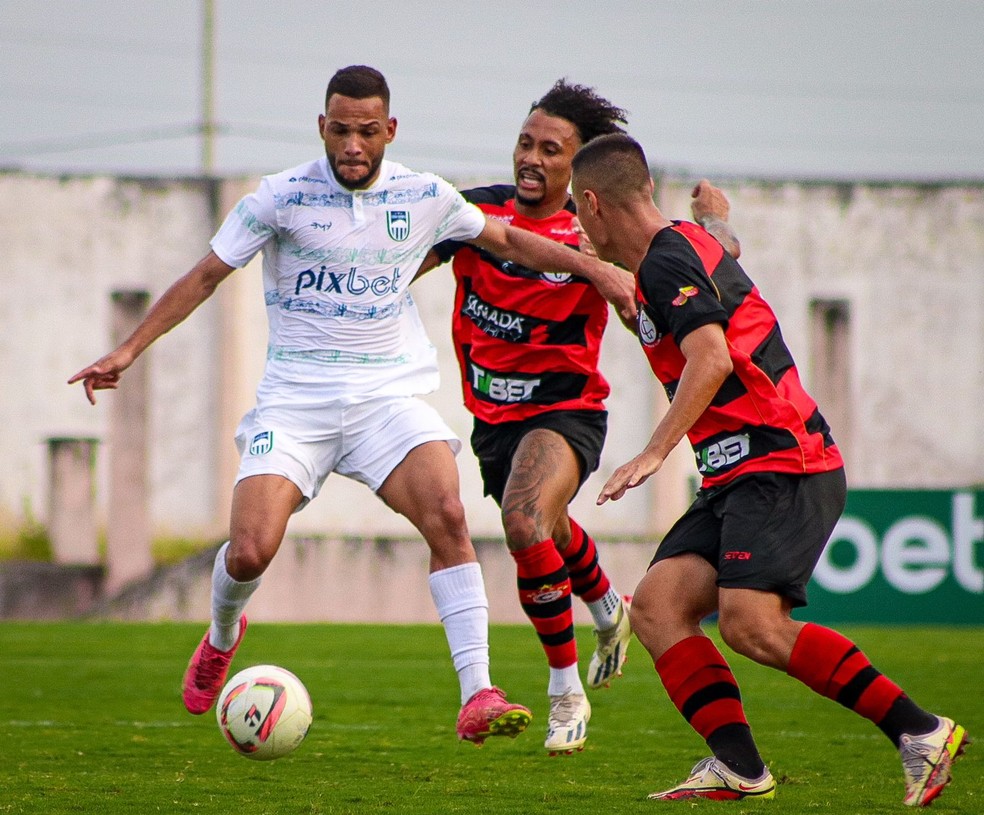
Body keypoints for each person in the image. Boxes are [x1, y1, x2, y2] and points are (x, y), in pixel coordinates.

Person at [67, 65, 637, 747]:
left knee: (449, 513)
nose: (353, 145)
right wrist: (128, 350)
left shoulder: (426, 196)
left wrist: (598, 268)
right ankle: (222, 636)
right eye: (341, 130)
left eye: (368, 131)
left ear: (389, 130)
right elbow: (205, 275)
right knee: (249, 551)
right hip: (295, 404)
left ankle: (479, 690)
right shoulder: (278, 198)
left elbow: (510, 239)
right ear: (323, 127)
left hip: (385, 401)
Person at [570, 133, 968, 805]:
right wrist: (718, 222)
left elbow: (712, 358)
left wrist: (654, 450)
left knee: (752, 622)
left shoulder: (667, 262)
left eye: (579, 215)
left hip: (782, 459)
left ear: (592, 203)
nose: (580, 230)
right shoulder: (678, 251)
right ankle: (738, 765)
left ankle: (920, 730)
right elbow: (721, 259)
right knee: (661, 606)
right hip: (737, 470)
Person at [416, 80, 738, 755]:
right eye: (525, 142)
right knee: (550, 530)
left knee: (525, 519)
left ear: (579, 167)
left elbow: (685, 274)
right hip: (493, 422)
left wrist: (705, 240)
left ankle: (565, 688)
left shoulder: (594, 235)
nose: (531, 157)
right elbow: (396, 265)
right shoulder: (473, 213)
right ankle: (607, 607)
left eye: (550, 148)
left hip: (566, 412)